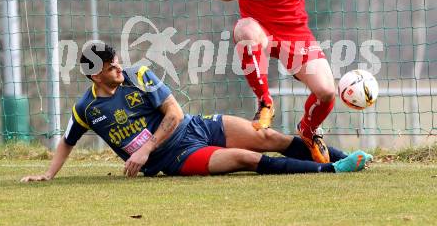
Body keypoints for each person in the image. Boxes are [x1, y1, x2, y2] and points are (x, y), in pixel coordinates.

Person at [21, 42, 372, 182]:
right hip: (175, 158)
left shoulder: (139, 75)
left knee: (269, 137)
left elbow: (173, 114)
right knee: (244, 158)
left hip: (194, 127)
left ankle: (350, 158)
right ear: (94, 74)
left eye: (117, 62)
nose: (119, 68)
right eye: (112, 66)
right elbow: (68, 141)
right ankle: (331, 169)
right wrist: (48, 175)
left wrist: (143, 147)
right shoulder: (86, 108)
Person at [205, 0, 336, 163]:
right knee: (244, 28)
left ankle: (307, 129)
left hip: (294, 32)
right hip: (259, 28)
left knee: (327, 92)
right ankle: (265, 101)